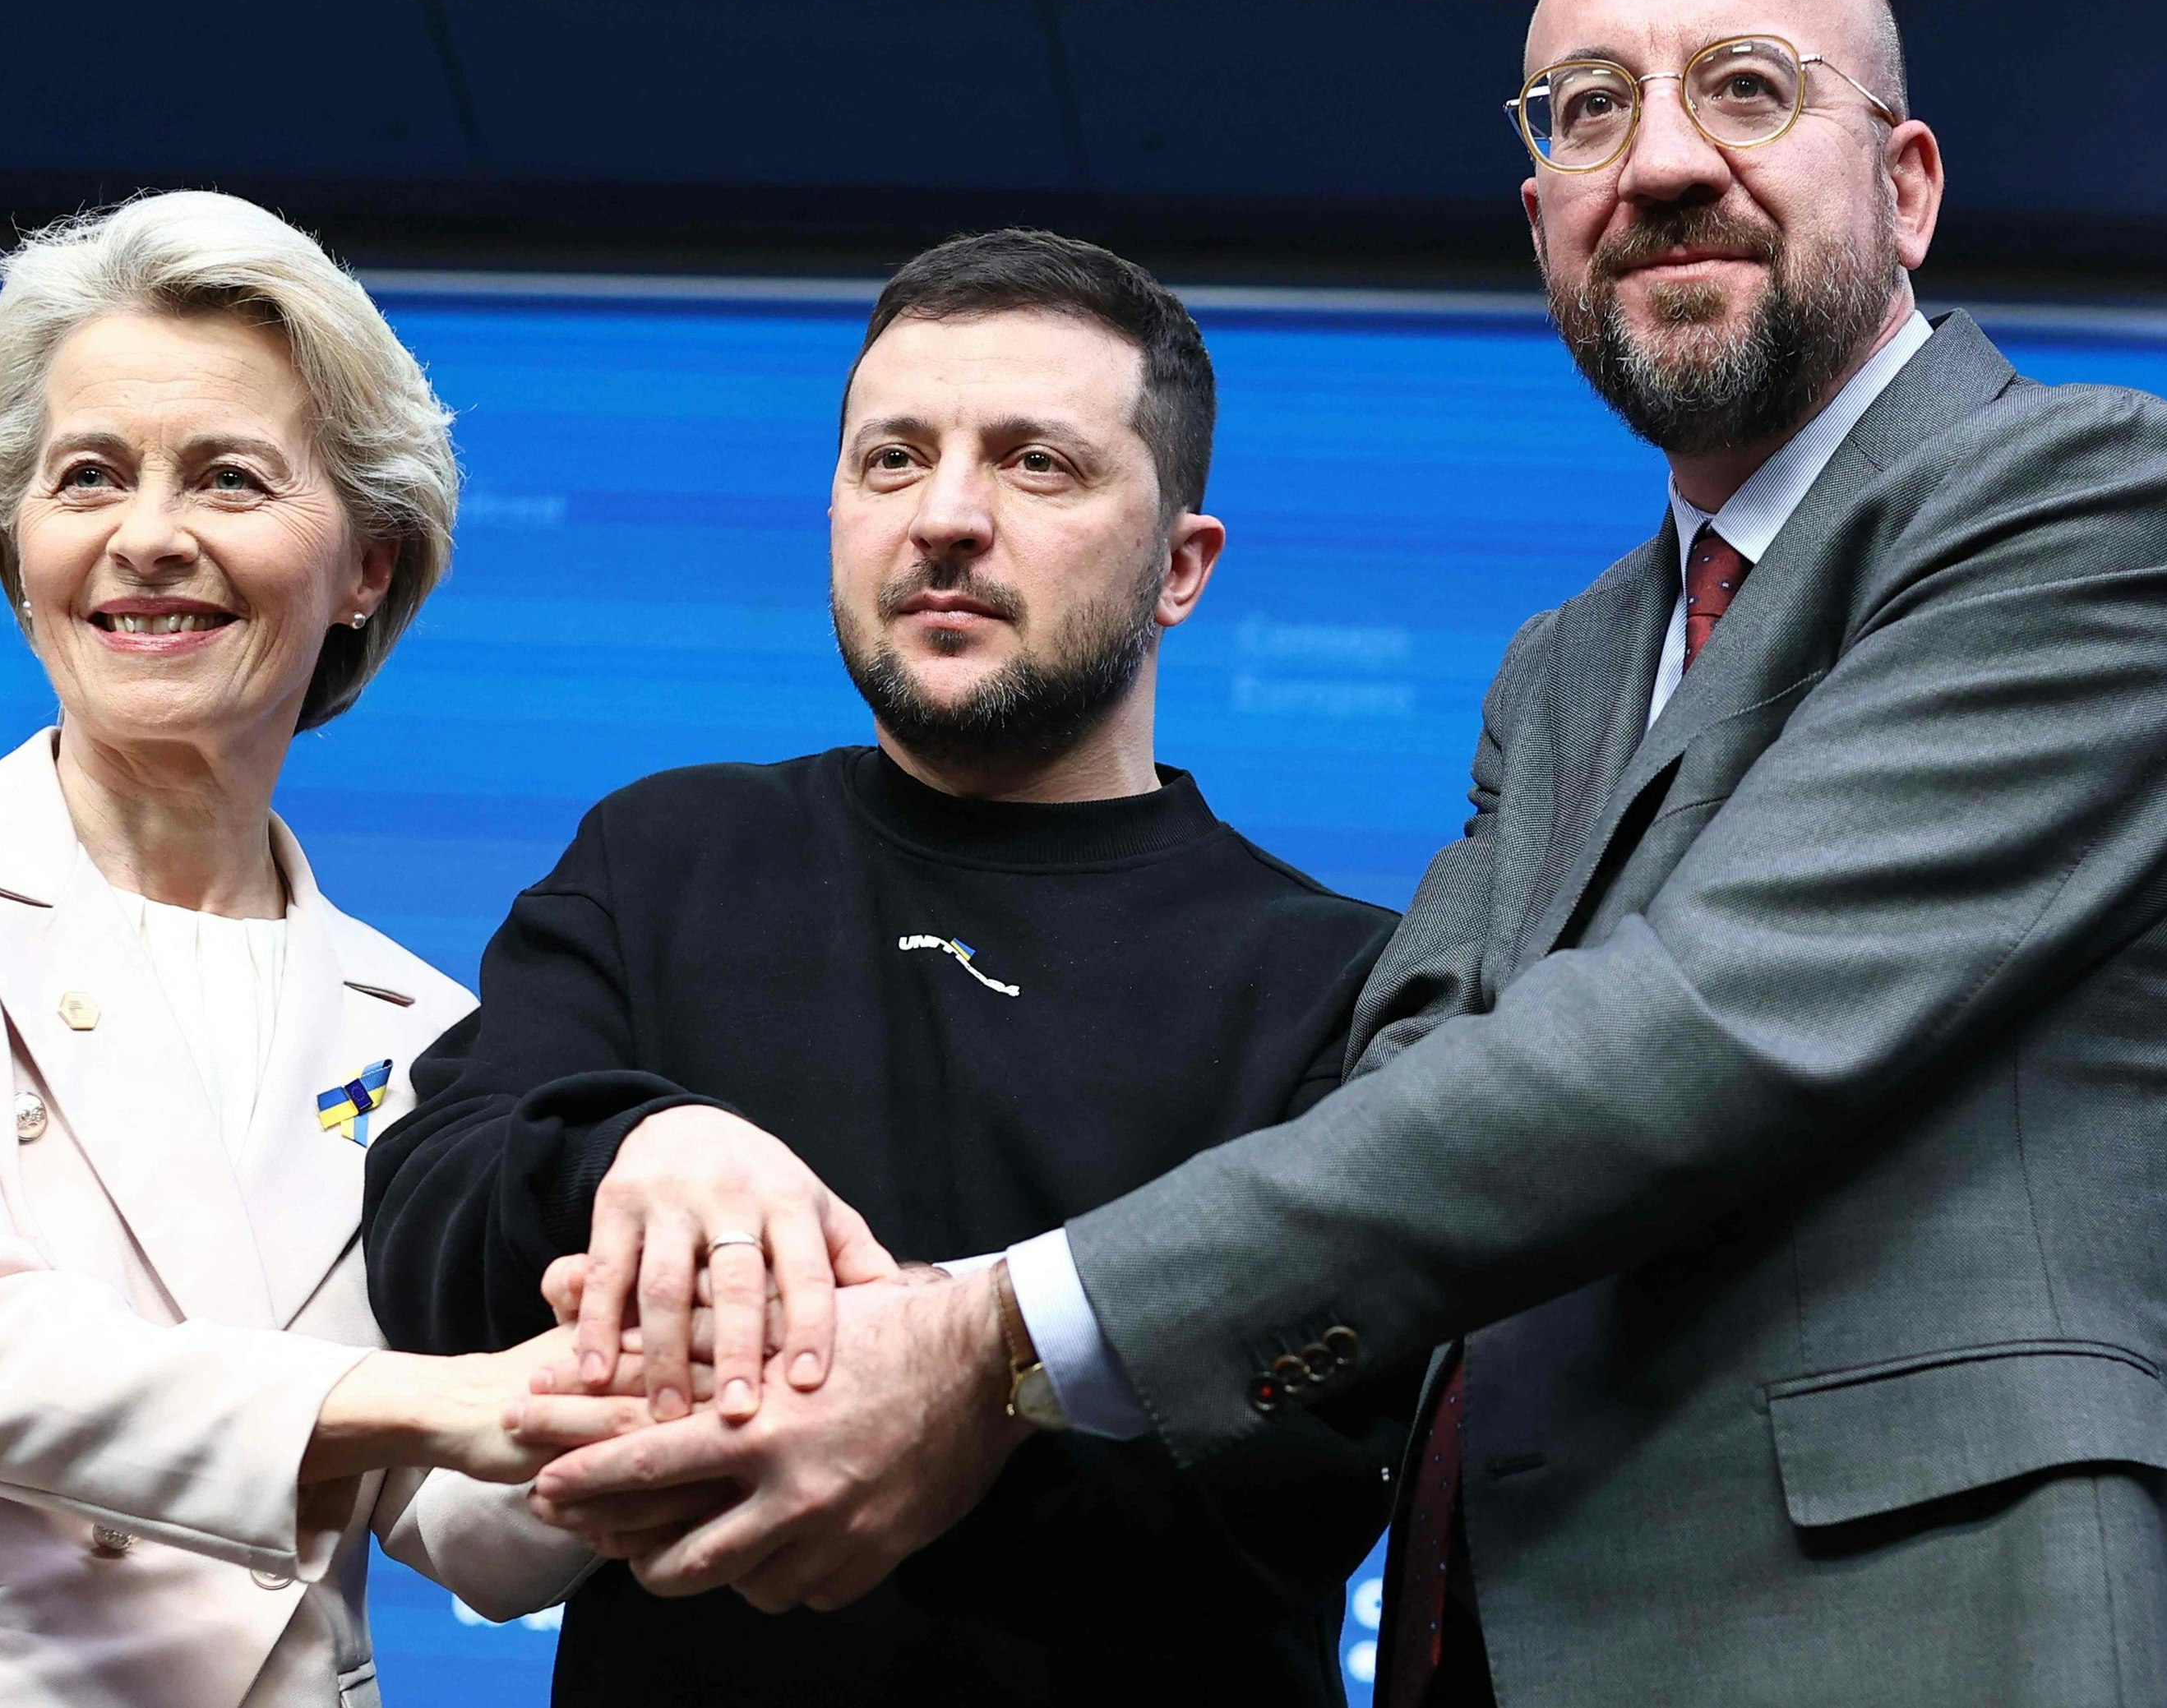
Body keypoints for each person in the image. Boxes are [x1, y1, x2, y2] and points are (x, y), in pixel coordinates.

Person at [526, 0, 2167, 1708]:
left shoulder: (2091, 508)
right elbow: (1415, 1088)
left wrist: (991, 1342)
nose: (1664, 163)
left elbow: (1692, 1031)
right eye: (1586, 110)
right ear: (1540, 208)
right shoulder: (1566, 666)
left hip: (1939, 1636)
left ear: (1909, 185)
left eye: (1748, 90)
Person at [358, 229, 1407, 1706]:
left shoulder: (1336, 981)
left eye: (1037, 464)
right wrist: (638, 1149)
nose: (947, 518)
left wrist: (923, 1367)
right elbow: (424, 1223)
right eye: (892, 459)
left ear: (1181, 566)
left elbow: (1294, 1471)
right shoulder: (665, 851)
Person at [0, 191, 594, 1708]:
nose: (150, 537)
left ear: (368, 568)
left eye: (229, 477)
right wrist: (436, 1395)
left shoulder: (428, 1032)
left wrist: (634, 1415)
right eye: (88, 477)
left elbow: (453, 1520)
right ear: (20, 549)